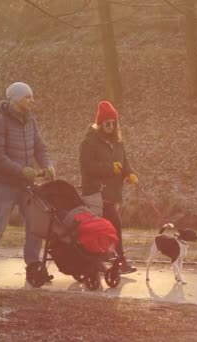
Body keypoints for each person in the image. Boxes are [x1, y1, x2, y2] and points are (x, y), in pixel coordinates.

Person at [0, 82, 55, 282]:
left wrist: (48, 165)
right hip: (4, 183)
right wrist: (22, 170)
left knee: (34, 224)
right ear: (16, 98)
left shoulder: (30, 121)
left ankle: (33, 266)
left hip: (26, 183)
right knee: (0, 225)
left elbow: (40, 146)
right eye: (28, 97)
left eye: (31, 96)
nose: (32, 100)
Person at [79, 100, 138, 274]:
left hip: (113, 193)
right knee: (114, 225)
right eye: (107, 123)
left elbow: (124, 162)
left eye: (113, 123)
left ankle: (105, 259)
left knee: (108, 228)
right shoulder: (88, 142)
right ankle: (119, 260)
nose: (110, 126)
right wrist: (109, 167)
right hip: (96, 192)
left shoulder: (118, 142)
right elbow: (87, 167)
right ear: (100, 123)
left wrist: (130, 174)